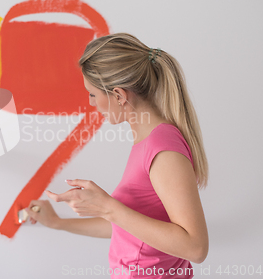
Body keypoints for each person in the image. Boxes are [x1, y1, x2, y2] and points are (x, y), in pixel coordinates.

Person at [26, 33, 209, 278]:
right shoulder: (147, 142)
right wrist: (59, 222)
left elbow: (195, 248)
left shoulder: (162, 147)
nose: (91, 103)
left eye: (92, 94)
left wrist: (108, 207)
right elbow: (129, 228)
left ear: (119, 95)